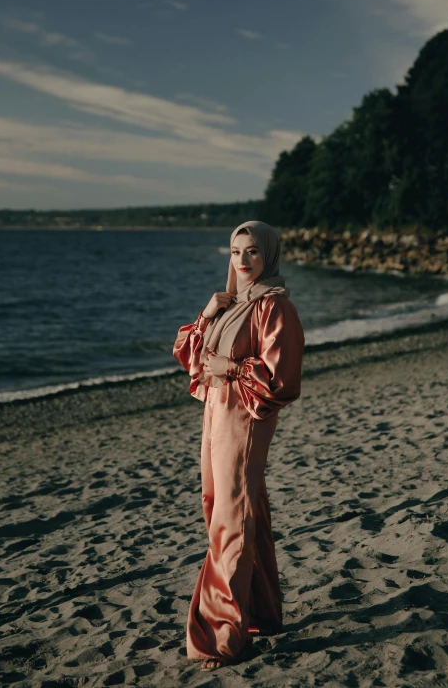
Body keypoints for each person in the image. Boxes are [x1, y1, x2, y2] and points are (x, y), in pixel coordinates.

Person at [172, 220, 305, 670]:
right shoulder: (231, 304)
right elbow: (190, 355)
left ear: (269, 254)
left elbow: (278, 381)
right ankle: (263, 612)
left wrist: (227, 367)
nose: (243, 260)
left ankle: (224, 635)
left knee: (231, 516)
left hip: (244, 420)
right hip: (214, 416)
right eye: (235, 251)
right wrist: (208, 314)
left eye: (252, 251)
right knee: (228, 506)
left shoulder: (274, 308)